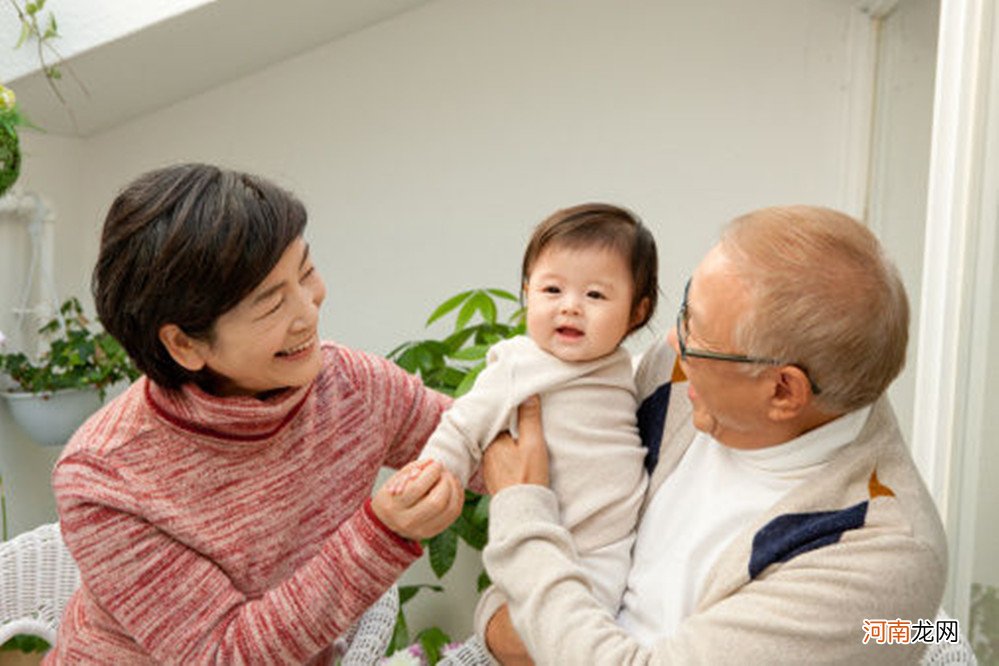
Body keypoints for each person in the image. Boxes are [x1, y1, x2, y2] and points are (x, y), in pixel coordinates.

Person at [474, 205, 948, 664]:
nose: (672, 343)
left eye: (697, 334)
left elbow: (894, 625)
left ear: (783, 391)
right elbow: (513, 623)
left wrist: (519, 508)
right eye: (687, 309)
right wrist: (514, 624)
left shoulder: (878, 555)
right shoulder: (678, 382)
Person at [46, 163, 464, 664]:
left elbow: (477, 440)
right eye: (271, 304)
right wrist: (382, 534)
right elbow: (224, 655)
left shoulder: (350, 383)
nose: (309, 312)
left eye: (306, 272)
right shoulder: (102, 479)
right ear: (183, 343)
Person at [404, 203, 658, 635]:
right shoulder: (519, 365)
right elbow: (463, 426)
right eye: (551, 291)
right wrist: (435, 472)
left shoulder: (626, 368)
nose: (570, 307)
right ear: (527, 292)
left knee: (593, 638)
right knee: (561, 636)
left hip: (613, 547)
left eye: (595, 295)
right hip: (548, 542)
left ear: (637, 312)